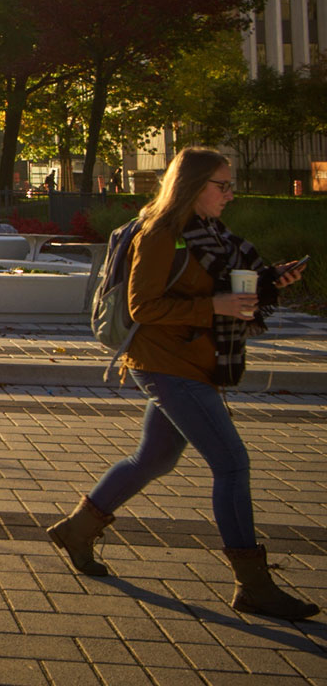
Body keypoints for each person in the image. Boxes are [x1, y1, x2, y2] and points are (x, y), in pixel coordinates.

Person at [48, 147, 316, 620]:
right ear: (193, 186)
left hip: (195, 361)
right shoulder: (160, 234)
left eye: (230, 184)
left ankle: (77, 529)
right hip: (164, 362)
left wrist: (270, 281)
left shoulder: (208, 234)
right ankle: (253, 585)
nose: (230, 194)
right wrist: (215, 308)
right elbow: (142, 309)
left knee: (154, 458)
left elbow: (223, 285)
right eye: (223, 185)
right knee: (231, 464)